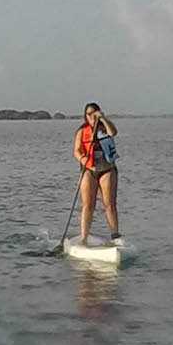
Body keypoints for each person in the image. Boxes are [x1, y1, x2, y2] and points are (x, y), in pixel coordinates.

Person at [74, 101, 120, 245]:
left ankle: (115, 236)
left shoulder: (104, 128)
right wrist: (83, 158)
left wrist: (103, 119)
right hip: (89, 169)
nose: (92, 117)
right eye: (89, 114)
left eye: (94, 113)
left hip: (107, 168)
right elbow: (76, 150)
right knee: (88, 205)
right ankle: (84, 237)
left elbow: (113, 133)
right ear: (85, 116)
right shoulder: (82, 131)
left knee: (109, 204)